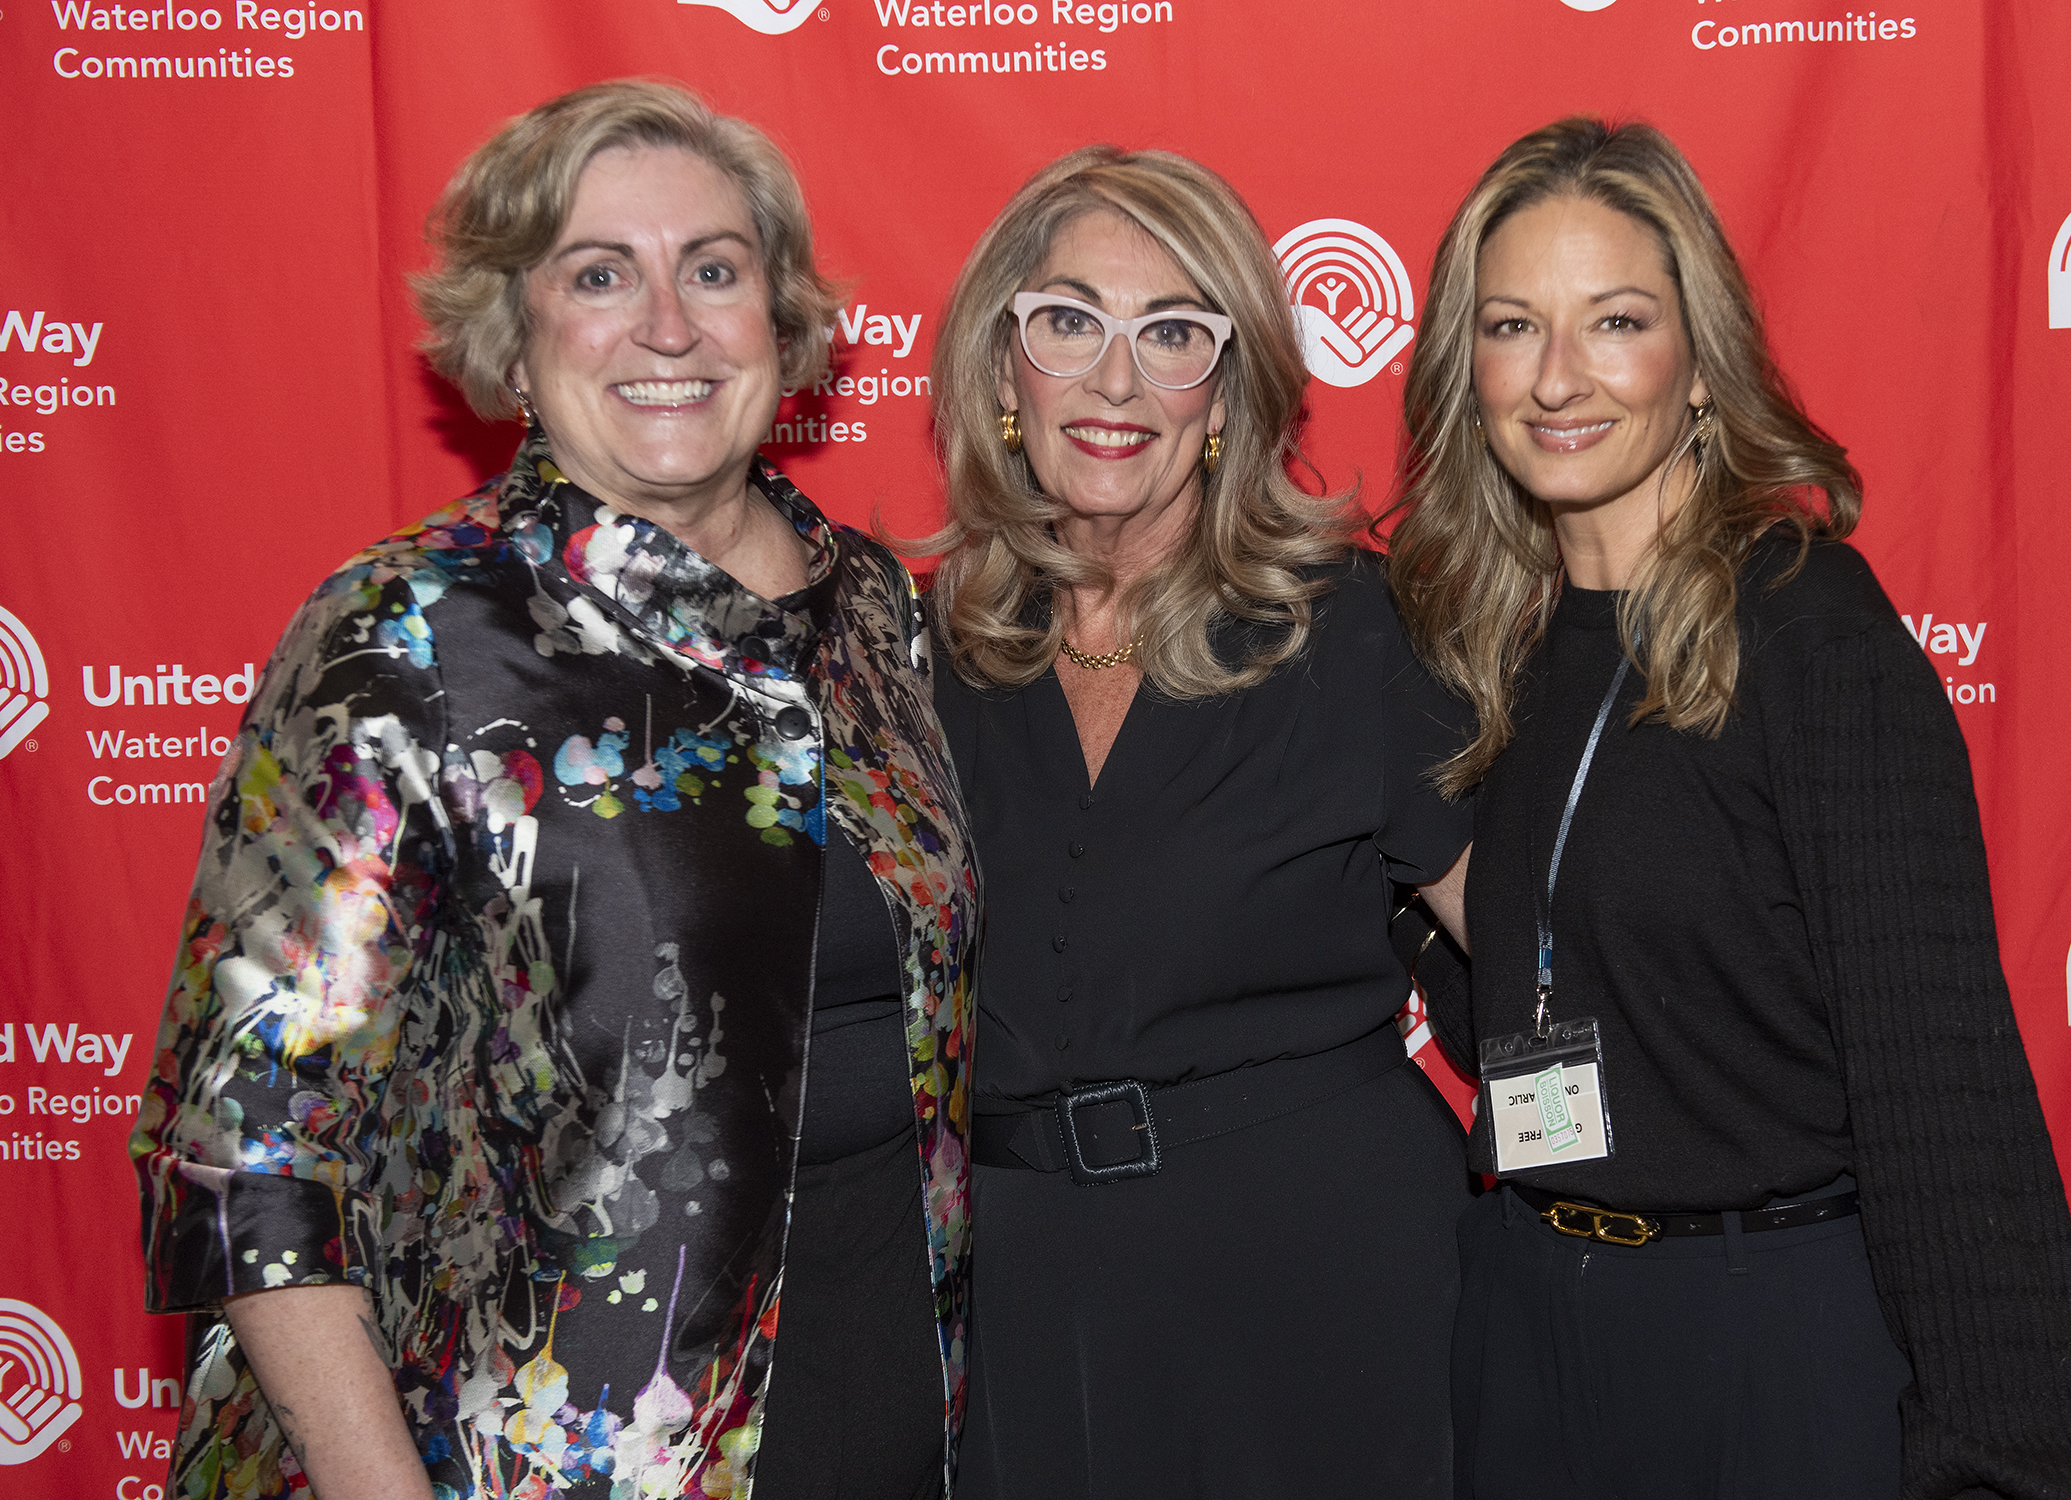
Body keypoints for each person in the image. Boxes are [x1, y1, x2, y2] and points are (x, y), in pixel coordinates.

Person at [129, 81, 976, 1500]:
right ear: (513, 340)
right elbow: (246, 1144)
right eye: (598, 276)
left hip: (893, 1421)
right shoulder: (409, 633)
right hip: (519, 1460)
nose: (668, 326)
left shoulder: (878, 614)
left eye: (715, 270)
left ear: (783, 326)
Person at [1385, 118, 2071, 1499]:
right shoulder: (1487, 645)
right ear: (1461, 365)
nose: (1556, 376)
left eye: (1615, 321)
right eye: (1510, 326)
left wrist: (2005, 1463)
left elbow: (1938, 1084)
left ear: (1697, 359)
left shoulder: (1804, 628)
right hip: (1532, 1319)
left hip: (1767, 1335)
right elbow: (1556, 986)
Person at [923, 145, 1475, 1499]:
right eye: (1069, 322)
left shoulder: (1355, 631)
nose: (1116, 381)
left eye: (1173, 334)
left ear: (1226, 394)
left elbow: (1543, 954)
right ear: (1002, 369)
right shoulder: (915, 655)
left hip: (1318, 1290)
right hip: (1015, 1312)